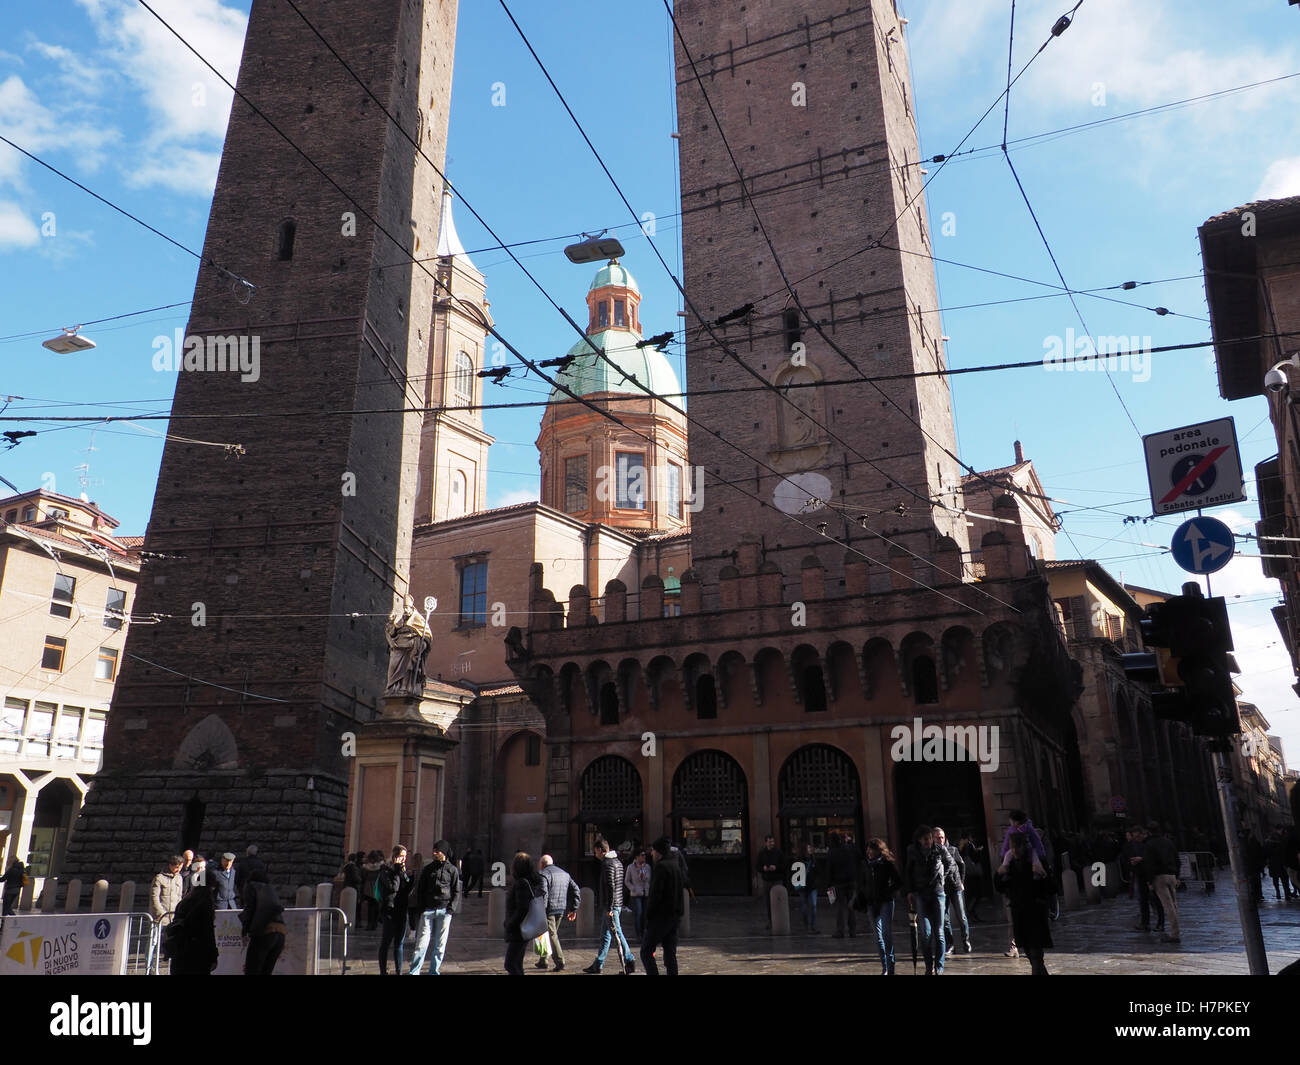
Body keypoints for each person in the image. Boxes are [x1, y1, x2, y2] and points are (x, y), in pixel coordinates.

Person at [996, 832, 1053, 975]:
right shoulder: (1009, 865)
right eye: (1012, 847)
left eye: (1018, 846)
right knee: (1030, 953)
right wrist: (998, 874)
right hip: (1019, 914)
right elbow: (1000, 887)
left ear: (1025, 846)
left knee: (1036, 954)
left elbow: (1052, 888)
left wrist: (1043, 874)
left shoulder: (1036, 862)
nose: (1015, 850)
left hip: (1035, 913)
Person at [904, 825, 955, 975]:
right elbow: (908, 872)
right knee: (925, 933)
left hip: (938, 893)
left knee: (939, 932)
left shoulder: (940, 849)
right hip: (921, 893)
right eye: (925, 838)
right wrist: (909, 891)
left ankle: (939, 967)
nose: (928, 841)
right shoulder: (912, 851)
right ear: (919, 840)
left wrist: (942, 879)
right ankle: (928, 966)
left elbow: (951, 863)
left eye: (930, 838)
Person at [407, 839, 460, 975]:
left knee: (440, 945)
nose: (435, 853)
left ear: (444, 852)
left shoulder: (452, 870)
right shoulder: (428, 869)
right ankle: (414, 972)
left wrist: (451, 909)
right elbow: (421, 889)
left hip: (444, 910)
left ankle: (434, 971)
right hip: (428, 910)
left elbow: (456, 890)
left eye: (438, 851)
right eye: (434, 851)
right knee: (421, 944)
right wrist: (422, 907)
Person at [584, 836, 635, 974]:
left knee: (617, 933)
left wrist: (610, 908)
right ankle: (598, 964)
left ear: (601, 850)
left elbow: (611, 887)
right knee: (605, 936)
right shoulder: (617, 862)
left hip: (611, 906)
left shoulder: (607, 864)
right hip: (616, 903)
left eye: (595, 852)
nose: (595, 855)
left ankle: (629, 960)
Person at [641, 836, 684, 976]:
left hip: (661, 917)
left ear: (658, 852)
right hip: (674, 916)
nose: (651, 853)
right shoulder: (675, 865)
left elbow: (656, 894)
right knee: (670, 953)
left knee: (646, 951)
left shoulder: (661, 867)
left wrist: (649, 914)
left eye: (653, 850)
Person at [861, 838, 902, 975]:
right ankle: (884, 966)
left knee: (886, 934)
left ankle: (891, 967)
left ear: (878, 850)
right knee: (878, 936)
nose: (868, 851)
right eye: (867, 849)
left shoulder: (886, 864)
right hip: (872, 903)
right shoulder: (865, 865)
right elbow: (862, 882)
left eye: (871, 849)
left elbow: (898, 882)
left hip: (885, 902)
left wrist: (887, 891)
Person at [504, 852, 545, 976]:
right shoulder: (529, 881)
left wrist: (510, 924)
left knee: (510, 964)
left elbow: (522, 908)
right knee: (517, 963)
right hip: (523, 929)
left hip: (519, 929)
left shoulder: (522, 883)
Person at [239, 868, 286, 975]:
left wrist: (245, 929)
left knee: (252, 970)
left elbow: (250, 908)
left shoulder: (251, 886)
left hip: (265, 931)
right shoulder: (270, 889)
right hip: (281, 932)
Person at [538, 854, 580, 971]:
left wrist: (542, 911)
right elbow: (576, 889)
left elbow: (543, 893)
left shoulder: (543, 874)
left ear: (542, 864)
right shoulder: (564, 874)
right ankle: (543, 960)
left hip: (549, 909)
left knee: (552, 935)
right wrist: (573, 908)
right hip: (561, 909)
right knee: (550, 933)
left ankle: (560, 961)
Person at [167, 883, 218, 975]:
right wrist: (213, 956)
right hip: (197, 952)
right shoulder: (205, 905)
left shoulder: (183, 902)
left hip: (181, 950)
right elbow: (208, 933)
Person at [934, 827, 970, 954]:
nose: (940, 840)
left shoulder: (953, 850)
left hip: (955, 887)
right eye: (938, 837)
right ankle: (950, 944)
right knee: (945, 919)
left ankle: (966, 940)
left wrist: (961, 881)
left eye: (942, 837)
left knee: (961, 916)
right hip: (941, 889)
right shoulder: (932, 852)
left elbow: (962, 865)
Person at [1143, 822, 1181, 944]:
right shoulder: (1168, 842)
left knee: (1168, 906)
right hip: (1172, 875)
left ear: (1149, 832)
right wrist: (1178, 876)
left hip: (1159, 877)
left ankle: (1174, 934)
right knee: (1174, 905)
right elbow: (1177, 859)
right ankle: (1175, 931)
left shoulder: (1149, 844)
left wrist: (1149, 881)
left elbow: (1149, 864)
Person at [377, 845, 412, 976]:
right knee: (386, 942)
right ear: (394, 856)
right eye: (401, 856)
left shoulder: (402, 870)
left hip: (402, 911)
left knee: (399, 944)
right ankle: (383, 971)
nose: (403, 859)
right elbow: (394, 887)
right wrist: (398, 871)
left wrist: (406, 876)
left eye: (405, 857)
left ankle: (399, 971)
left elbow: (407, 886)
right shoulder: (385, 870)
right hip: (389, 911)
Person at [1126, 826, 1164, 932]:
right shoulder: (1134, 845)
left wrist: (1141, 859)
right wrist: (1132, 863)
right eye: (1134, 837)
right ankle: (1145, 923)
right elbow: (1129, 858)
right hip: (1140, 874)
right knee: (1143, 900)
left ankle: (1160, 924)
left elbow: (1155, 858)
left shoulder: (1150, 843)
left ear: (1143, 834)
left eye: (1138, 836)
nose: (1137, 839)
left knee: (1157, 900)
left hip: (1152, 875)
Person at [826, 832, 860, 938]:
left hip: (839, 882)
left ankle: (840, 930)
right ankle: (852, 930)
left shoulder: (832, 852)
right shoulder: (850, 849)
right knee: (851, 906)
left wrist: (828, 883)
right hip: (851, 881)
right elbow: (858, 860)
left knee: (840, 907)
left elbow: (829, 869)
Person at [755, 834, 788, 931]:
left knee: (779, 901)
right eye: (770, 842)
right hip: (767, 880)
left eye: (773, 841)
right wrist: (763, 868)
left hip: (777, 879)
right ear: (766, 842)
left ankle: (780, 921)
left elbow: (784, 865)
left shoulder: (778, 852)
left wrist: (776, 867)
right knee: (768, 902)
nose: (772, 843)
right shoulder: (762, 853)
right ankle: (771, 921)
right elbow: (757, 866)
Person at [150, 856, 185, 928]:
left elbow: (179, 896)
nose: (178, 870)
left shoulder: (179, 878)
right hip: (161, 917)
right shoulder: (159, 878)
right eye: (177, 867)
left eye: (180, 867)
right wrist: (161, 913)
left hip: (174, 916)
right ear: (170, 865)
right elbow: (154, 897)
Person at [624, 849, 651, 940]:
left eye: (644, 855)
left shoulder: (647, 867)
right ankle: (638, 934)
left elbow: (649, 878)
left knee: (645, 914)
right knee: (638, 913)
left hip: (645, 892)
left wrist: (645, 877)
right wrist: (633, 888)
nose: (644, 857)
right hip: (636, 894)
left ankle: (645, 932)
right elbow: (627, 881)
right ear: (637, 857)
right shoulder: (631, 867)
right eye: (642, 855)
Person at [797, 843, 821, 933]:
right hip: (802, 886)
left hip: (812, 886)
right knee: (804, 906)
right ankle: (806, 925)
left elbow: (818, 871)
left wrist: (816, 881)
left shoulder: (813, 859)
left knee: (813, 905)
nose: (810, 849)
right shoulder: (799, 860)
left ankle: (812, 925)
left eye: (811, 847)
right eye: (808, 848)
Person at [361, 849, 385, 931]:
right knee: (376, 906)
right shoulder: (381, 866)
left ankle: (369, 924)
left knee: (370, 907)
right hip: (377, 887)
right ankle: (374, 924)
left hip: (368, 887)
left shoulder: (366, 867)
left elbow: (363, 877)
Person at [1267, 831, 1296, 901]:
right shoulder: (1282, 844)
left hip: (1273, 865)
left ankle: (1278, 893)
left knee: (1276, 880)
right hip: (1281, 865)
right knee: (1284, 881)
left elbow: (1266, 854)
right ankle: (1286, 894)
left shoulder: (1269, 845)